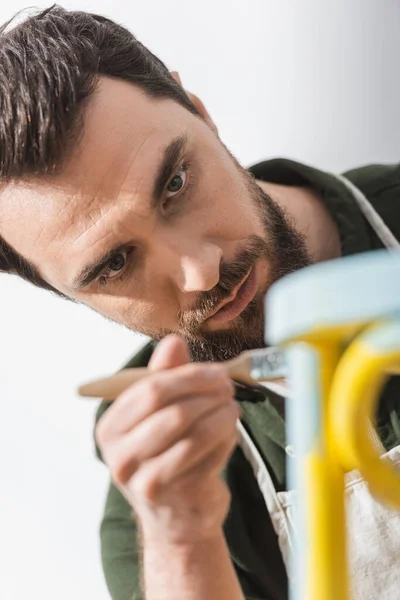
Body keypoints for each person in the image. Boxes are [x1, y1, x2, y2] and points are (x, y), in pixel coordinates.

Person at [1, 6, 400, 600]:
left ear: (202, 114)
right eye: (116, 262)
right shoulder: (157, 503)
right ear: (65, 295)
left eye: (176, 184)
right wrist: (184, 539)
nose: (200, 270)